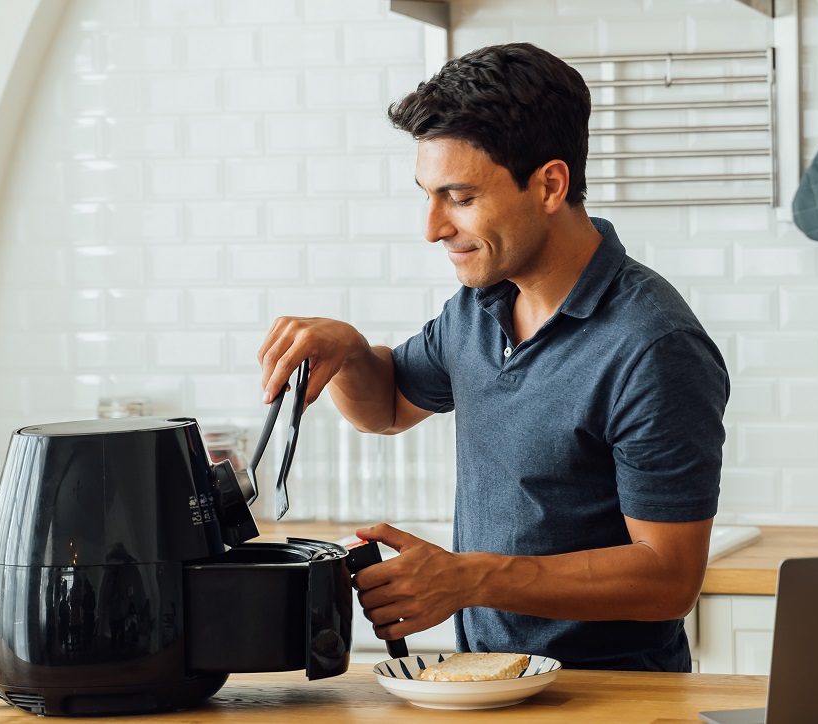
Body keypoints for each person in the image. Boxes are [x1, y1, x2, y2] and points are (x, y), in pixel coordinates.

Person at [256, 42, 728, 672]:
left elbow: (668, 578)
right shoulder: (479, 306)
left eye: (460, 196)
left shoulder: (653, 347)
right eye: (427, 194)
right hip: (489, 684)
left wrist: (469, 578)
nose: (433, 227)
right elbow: (388, 408)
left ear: (550, 185)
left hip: (608, 699)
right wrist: (347, 352)